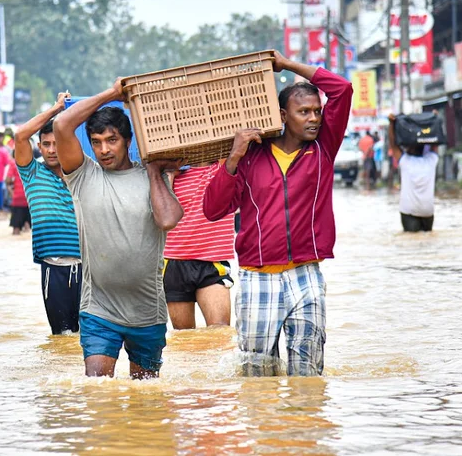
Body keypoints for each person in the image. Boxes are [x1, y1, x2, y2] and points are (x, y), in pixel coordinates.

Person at [203, 51, 353, 377]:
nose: (314, 119)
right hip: (257, 276)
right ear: (284, 115)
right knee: (257, 377)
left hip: (306, 274)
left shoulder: (323, 148)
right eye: (304, 112)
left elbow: (342, 88)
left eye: (317, 111)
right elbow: (212, 210)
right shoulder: (250, 157)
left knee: (308, 375)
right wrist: (233, 158)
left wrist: (286, 64)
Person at [54, 80, 183, 379]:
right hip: (99, 311)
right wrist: (113, 94)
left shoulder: (151, 177)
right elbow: (61, 125)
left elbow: (168, 220)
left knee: (146, 396)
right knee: (98, 391)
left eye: (112, 140)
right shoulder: (83, 175)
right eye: (96, 142)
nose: (104, 149)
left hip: (147, 312)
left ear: (127, 141)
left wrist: (154, 171)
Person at [14, 92, 82, 335]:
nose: (52, 150)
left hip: (89, 267)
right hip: (53, 267)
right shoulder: (32, 173)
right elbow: (20, 136)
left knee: (90, 335)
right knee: (62, 337)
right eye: (46, 144)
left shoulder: (82, 173)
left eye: (57, 143)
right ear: (39, 147)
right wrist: (56, 109)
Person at [163, 162, 235, 329]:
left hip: (212, 262)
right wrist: (169, 176)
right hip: (174, 262)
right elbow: (160, 216)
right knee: (184, 338)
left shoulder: (223, 167)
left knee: (220, 333)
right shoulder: (167, 171)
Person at [388, 114, 439, 232]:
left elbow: (393, 144)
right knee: (428, 241)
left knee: (411, 240)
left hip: (409, 211)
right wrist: (434, 121)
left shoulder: (405, 162)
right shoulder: (431, 161)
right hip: (427, 211)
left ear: (410, 148)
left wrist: (391, 124)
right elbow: (435, 143)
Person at [6, 157, 31, 235]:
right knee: (28, 227)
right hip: (29, 196)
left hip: (18, 196)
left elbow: (8, 179)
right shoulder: (31, 162)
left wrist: (11, 191)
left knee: (16, 229)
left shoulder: (13, 163)